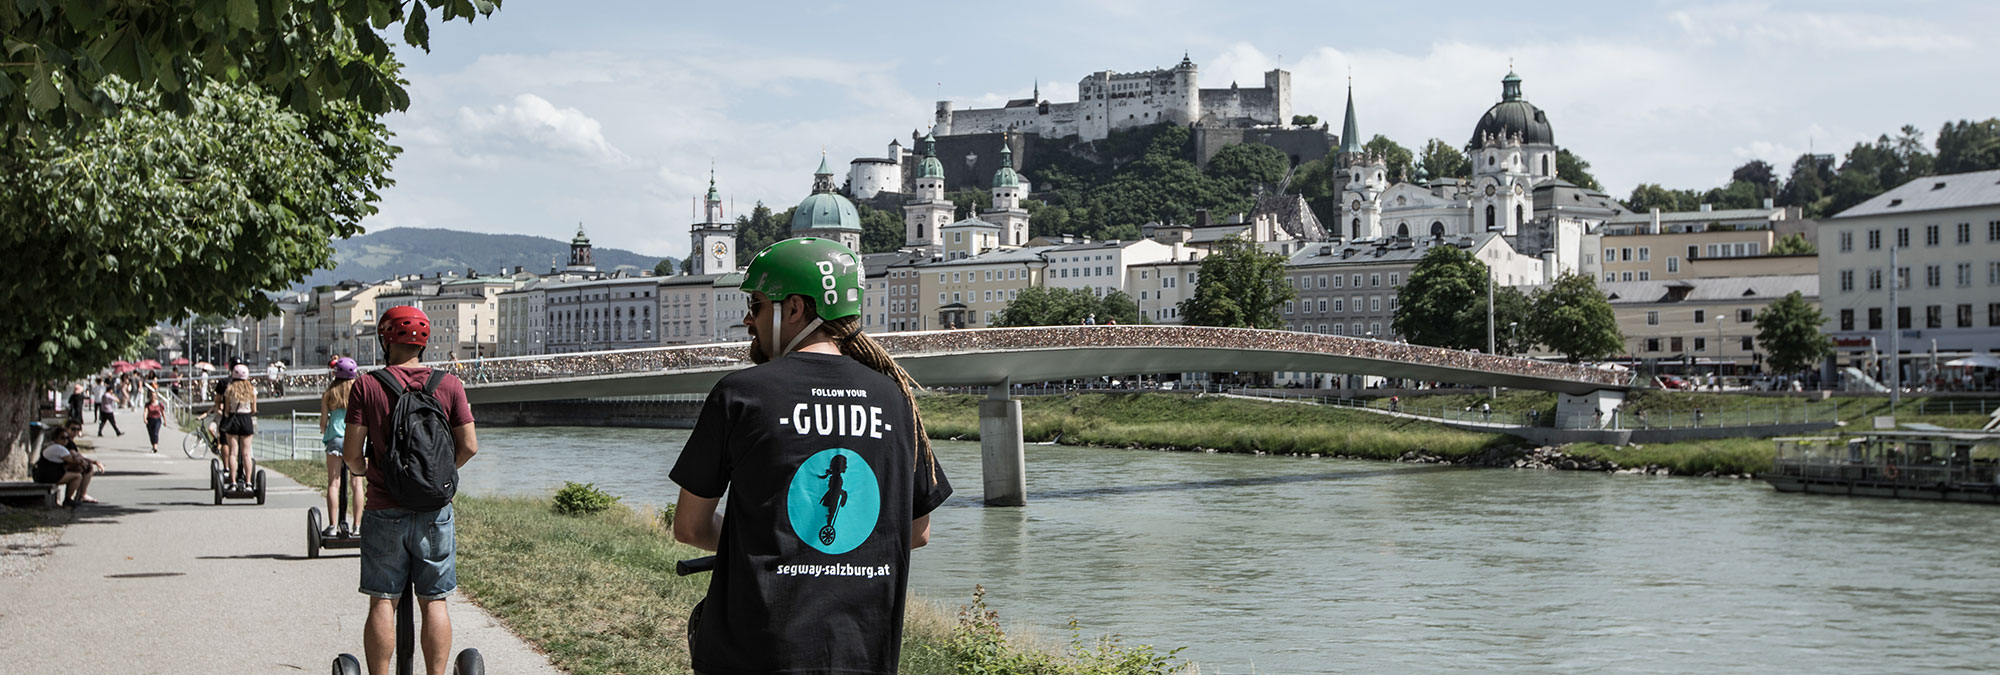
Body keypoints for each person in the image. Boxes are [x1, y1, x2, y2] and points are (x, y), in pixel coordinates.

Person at [672, 237, 951, 674]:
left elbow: (690, 527)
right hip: (863, 653)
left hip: (756, 651)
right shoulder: (895, 400)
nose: (748, 319)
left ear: (796, 308)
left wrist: (766, 542)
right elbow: (917, 534)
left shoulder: (741, 394)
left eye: (757, 303)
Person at [342, 306, 478, 675]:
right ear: (425, 341)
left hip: (384, 507)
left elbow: (353, 455)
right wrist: (439, 477)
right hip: (434, 511)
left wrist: (368, 473)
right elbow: (469, 446)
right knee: (434, 601)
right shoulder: (448, 385)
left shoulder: (368, 385)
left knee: (382, 600)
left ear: (385, 339)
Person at [320, 358, 364, 537]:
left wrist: (325, 429)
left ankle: (332, 526)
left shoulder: (329, 393)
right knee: (357, 483)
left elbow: (324, 421)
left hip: (335, 438)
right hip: (355, 438)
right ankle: (357, 526)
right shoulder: (359, 392)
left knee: (334, 483)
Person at [33, 425, 100, 506]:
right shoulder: (59, 448)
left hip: (43, 474)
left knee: (77, 470)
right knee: (77, 476)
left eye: (67, 438)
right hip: (47, 476)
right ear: (56, 438)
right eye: (62, 438)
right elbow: (75, 461)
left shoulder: (54, 447)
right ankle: (68, 499)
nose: (65, 440)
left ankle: (79, 495)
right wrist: (82, 461)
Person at [219, 364, 258, 490]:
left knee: (233, 453)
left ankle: (233, 482)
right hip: (246, 419)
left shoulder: (229, 389)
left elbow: (227, 409)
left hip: (233, 420)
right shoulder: (252, 389)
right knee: (246, 453)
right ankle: (248, 483)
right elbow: (254, 409)